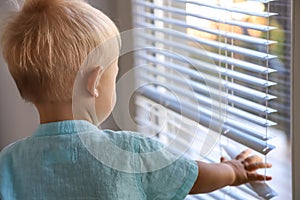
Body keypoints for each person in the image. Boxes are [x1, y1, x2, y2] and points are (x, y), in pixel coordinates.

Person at [0, 0, 272, 199]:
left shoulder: (9, 162)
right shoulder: (130, 152)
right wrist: (234, 172)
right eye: (114, 74)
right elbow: (192, 175)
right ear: (94, 83)